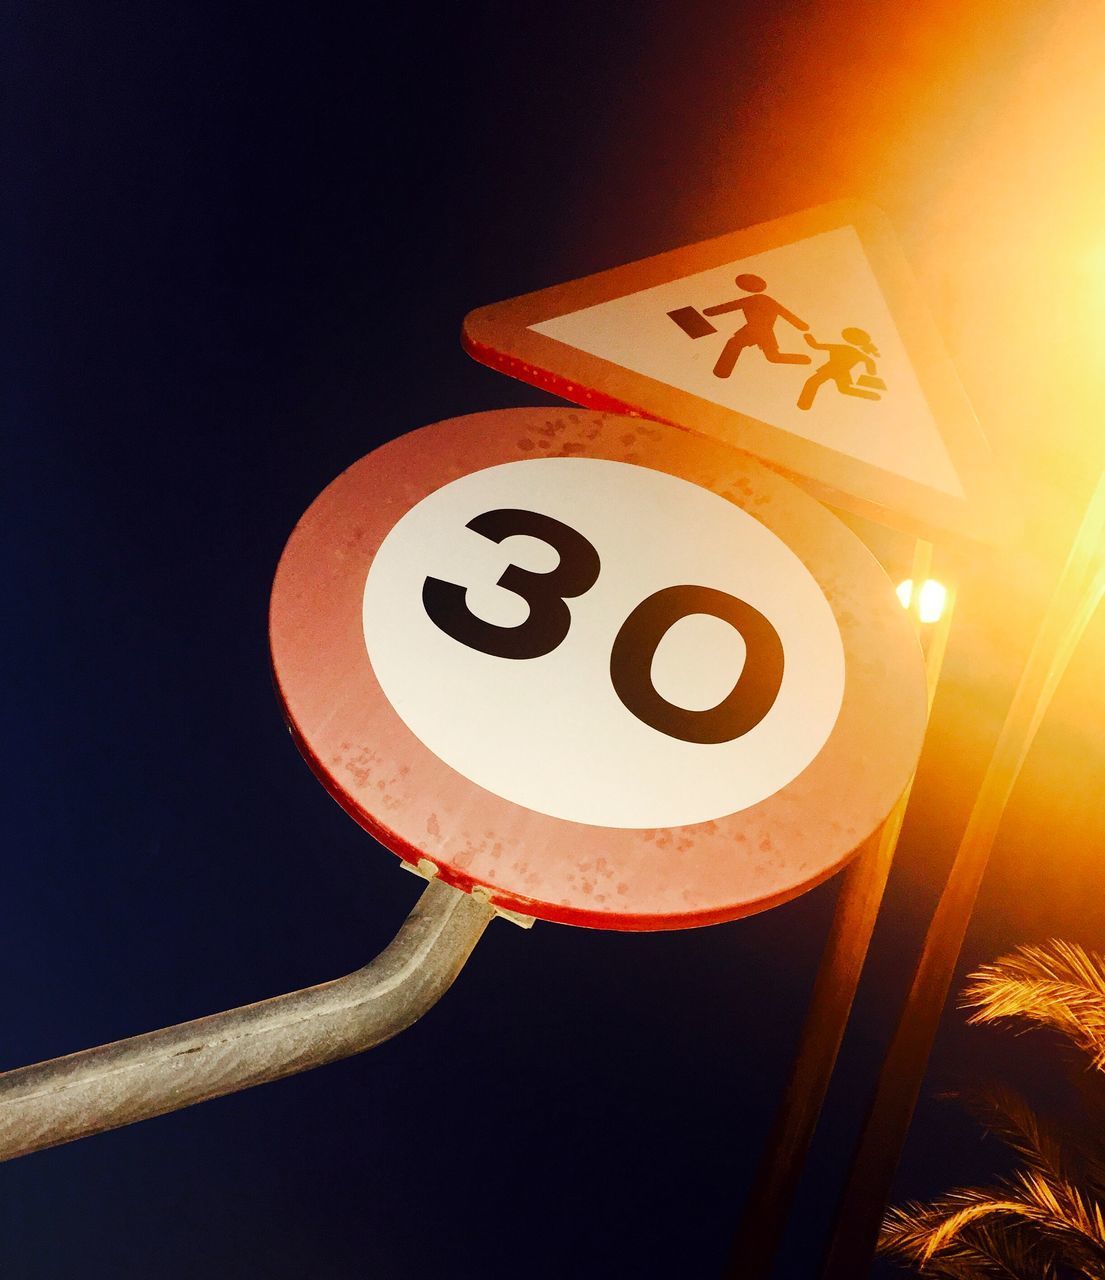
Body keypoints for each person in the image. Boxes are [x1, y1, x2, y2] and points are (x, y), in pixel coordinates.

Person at [703, 273, 812, 378]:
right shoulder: (761, 300)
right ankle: (805, 359)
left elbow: (731, 306)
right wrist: (801, 326)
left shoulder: (758, 300)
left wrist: (710, 312)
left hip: (758, 331)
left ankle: (722, 372)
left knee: (736, 344)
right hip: (759, 331)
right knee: (771, 356)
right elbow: (786, 313)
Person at [796, 327, 884, 411]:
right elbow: (870, 361)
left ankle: (804, 404)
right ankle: (871, 395)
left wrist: (808, 337)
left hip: (831, 370)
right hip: (840, 372)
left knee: (813, 382)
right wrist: (871, 371)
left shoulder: (844, 349)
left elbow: (816, 346)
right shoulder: (856, 352)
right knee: (843, 389)